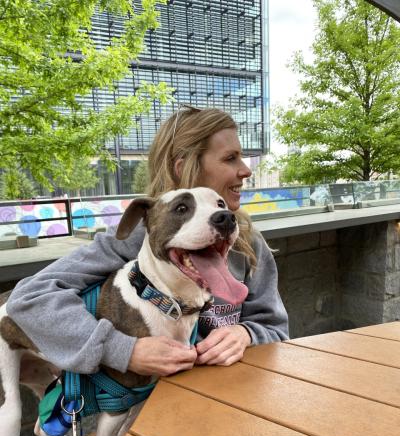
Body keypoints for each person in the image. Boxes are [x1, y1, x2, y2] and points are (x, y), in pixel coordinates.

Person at [6, 107, 289, 378]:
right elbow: (29, 297)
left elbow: (276, 329)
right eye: (230, 158)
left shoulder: (248, 241)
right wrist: (124, 351)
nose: (246, 170)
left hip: (233, 397)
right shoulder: (137, 239)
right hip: (152, 408)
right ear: (183, 167)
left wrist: (246, 334)